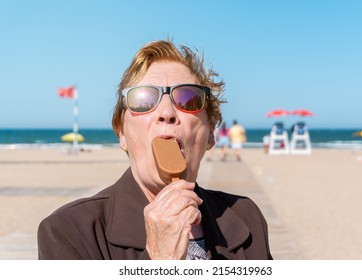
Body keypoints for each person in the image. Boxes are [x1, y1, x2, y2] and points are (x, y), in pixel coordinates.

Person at [37, 40, 272, 260]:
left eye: (188, 99)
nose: (166, 112)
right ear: (122, 133)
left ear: (210, 132)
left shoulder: (246, 217)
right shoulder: (69, 231)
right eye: (144, 100)